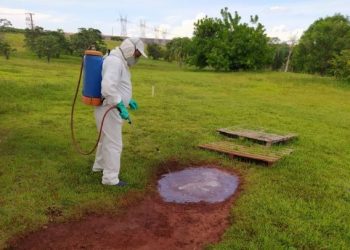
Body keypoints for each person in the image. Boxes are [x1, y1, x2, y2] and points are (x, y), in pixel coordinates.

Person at [92, 37, 147, 186]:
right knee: (114, 143)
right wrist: (120, 104)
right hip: (109, 108)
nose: (137, 58)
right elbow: (108, 87)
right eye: (137, 54)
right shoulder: (115, 61)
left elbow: (118, 85)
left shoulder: (119, 61)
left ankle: (99, 167)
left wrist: (129, 100)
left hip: (108, 107)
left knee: (105, 140)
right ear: (130, 49)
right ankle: (110, 179)